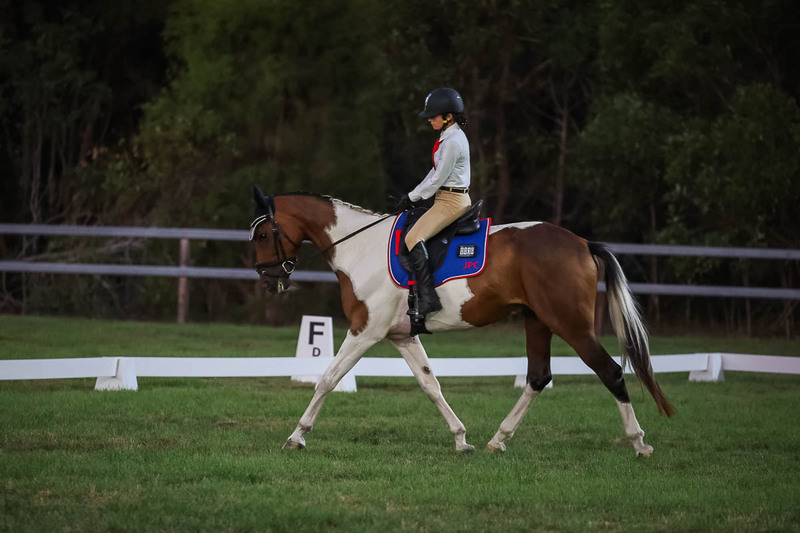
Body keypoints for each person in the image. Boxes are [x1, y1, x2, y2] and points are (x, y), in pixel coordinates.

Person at [396, 87, 472, 318]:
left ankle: (429, 299)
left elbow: (438, 178)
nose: (429, 119)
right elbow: (435, 171)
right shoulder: (447, 136)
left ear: (448, 116)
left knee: (412, 237)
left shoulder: (453, 142)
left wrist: (412, 197)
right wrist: (412, 194)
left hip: (452, 201)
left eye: (433, 116)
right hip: (444, 197)